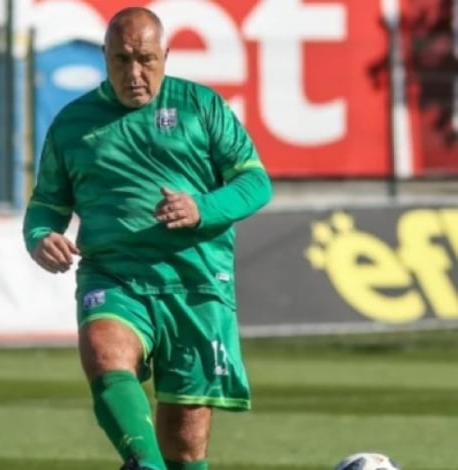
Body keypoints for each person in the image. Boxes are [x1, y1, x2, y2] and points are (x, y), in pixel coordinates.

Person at [22, 6, 272, 470]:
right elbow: (46, 204)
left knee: (186, 446)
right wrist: (40, 235)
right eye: (121, 60)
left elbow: (255, 182)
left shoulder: (201, 107)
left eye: (145, 59)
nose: (134, 73)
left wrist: (202, 208)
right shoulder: (73, 123)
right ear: (104, 56)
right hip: (115, 277)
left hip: (196, 284)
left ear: (166, 56)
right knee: (104, 352)